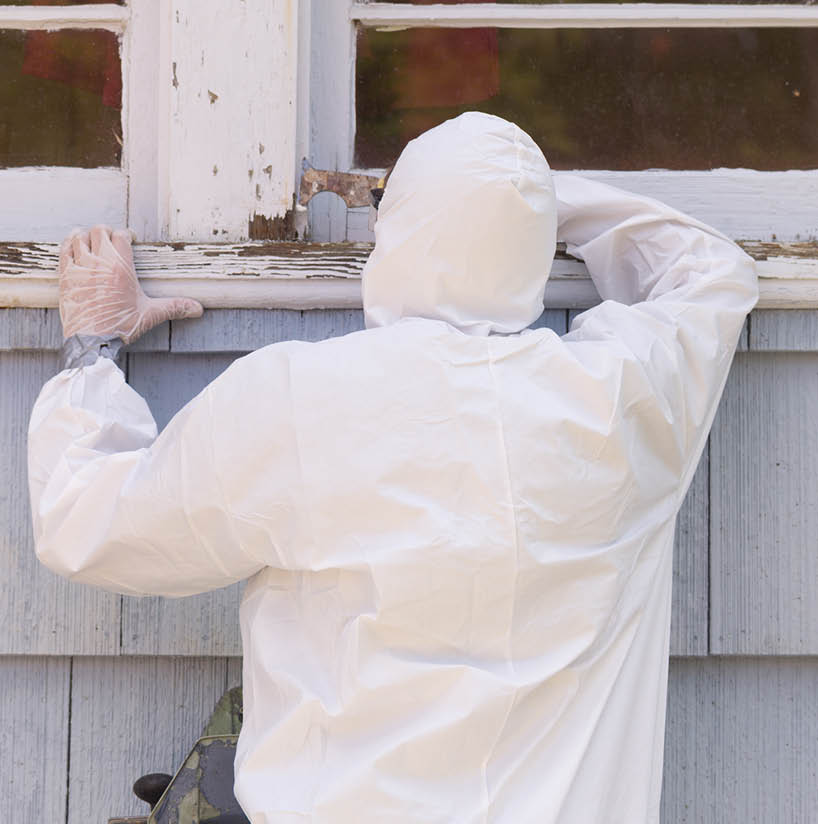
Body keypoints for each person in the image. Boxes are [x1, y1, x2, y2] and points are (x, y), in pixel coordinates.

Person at [28, 112, 757, 823]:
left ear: (398, 232)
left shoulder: (298, 400)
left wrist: (93, 350)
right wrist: (517, 202)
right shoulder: (620, 402)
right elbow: (710, 271)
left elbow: (87, 522)